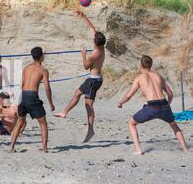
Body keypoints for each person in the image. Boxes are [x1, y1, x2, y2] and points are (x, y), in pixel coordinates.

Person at [118, 55, 189, 155]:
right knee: (174, 126)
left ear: (141, 65)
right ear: (151, 65)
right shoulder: (158, 76)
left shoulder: (139, 78)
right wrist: (167, 105)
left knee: (131, 123)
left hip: (152, 106)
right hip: (164, 104)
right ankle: (185, 148)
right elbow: (170, 94)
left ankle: (138, 150)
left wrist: (121, 102)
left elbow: (129, 95)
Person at [54, 11, 106, 143]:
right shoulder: (101, 45)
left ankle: (90, 130)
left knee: (88, 105)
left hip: (94, 81)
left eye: (93, 39)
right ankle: (65, 112)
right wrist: (84, 17)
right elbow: (92, 29)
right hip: (92, 79)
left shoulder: (95, 53)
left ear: (95, 42)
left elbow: (85, 67)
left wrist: (83, 54)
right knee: (77, 93)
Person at [10, 47, 55, 153]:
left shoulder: (26, 68)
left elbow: (21, 84)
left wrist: (17, 100)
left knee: (20, 123)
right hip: (32, 96)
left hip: (23, 96)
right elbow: (47, 88)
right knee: (43, 123)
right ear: (41, 56)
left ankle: (12, 146)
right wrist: (51, 103)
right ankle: (44, 149)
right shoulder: (43, 70)